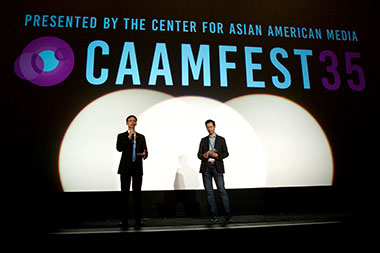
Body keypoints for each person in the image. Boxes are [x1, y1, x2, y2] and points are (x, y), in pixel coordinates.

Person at [116, 115, 148, 229]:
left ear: (136, 123)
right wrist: (129, 138)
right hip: (125, 168)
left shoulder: (141, 137)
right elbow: (119, 148)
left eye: (134, 121)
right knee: (124, 194)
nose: (132, 122)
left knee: (137, 194)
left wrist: (144, 155)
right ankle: (124, 220)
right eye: (130, 121)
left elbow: (146, 151)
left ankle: (138, 220)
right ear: (126, 123)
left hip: (137, 168)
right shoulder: (122, 136)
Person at [197, 119, 232, 222]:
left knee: (221, 190)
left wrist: (217, 155)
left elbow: (226, 153)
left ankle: (228, 214)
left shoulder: (221, 139)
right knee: (209, 193)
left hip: (217, 167)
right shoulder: (203, 140)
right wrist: (203, 156)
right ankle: (213, 215)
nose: (209, 129)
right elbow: (198, 154)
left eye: (211, 127)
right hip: (206, 168)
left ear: (214, 127)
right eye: (207, 127)